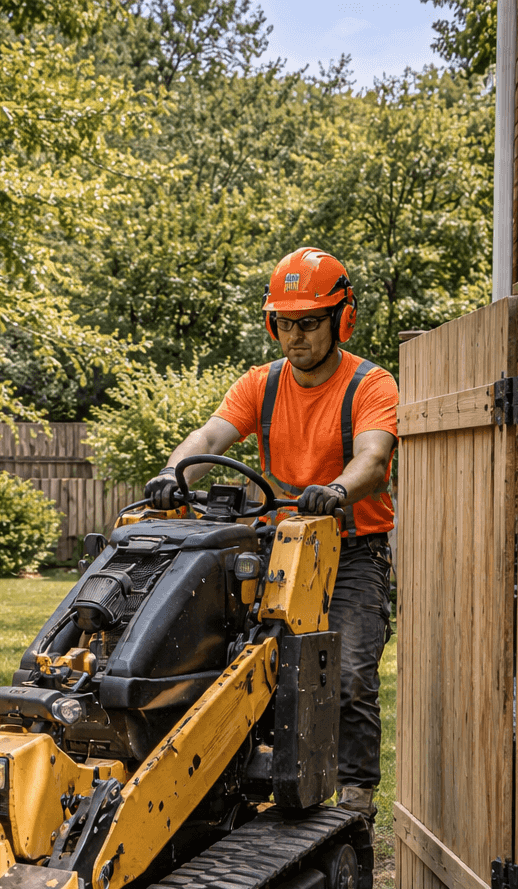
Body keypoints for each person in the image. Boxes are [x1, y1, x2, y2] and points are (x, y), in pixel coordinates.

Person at [143, 247, 398, 827]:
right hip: (275, 551)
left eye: (309, 322)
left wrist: (335, 490)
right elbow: (210, 436)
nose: (295, 335)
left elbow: (374, 460)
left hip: (351, 552)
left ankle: (355, 803)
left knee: (351, 676)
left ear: (342, 319)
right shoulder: (261, 384)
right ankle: (249, 791)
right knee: (242, 670)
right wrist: (171, 474)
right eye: (284, 323)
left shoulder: (371, 384)